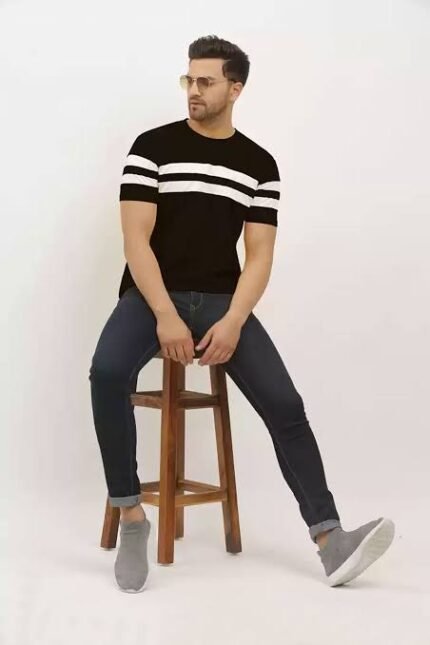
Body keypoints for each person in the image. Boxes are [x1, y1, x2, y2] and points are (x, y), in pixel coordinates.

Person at [88, 34, 395, 593]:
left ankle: (331, 541)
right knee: (107, 372)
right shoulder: (152, 146)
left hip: (222, 304)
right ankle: (131, 515)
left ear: (235, 88)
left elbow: (259, 256)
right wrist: (165, 314)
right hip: (151, 297)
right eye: (189, 80)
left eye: (206, 82)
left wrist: (232, 322)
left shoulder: (259, 164)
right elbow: (136, 241)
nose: (194, 90)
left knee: (286, 404)